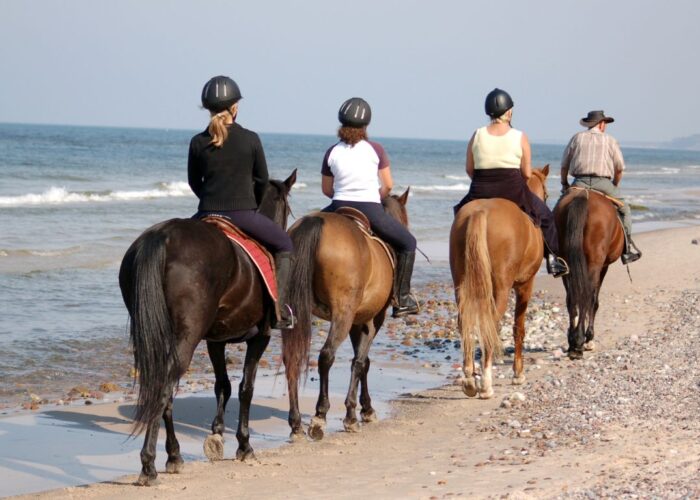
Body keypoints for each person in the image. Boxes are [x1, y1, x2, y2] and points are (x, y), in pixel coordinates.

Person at [187, 75, 295, 328]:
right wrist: (252, 207)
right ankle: (279, 311)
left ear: (208, 109)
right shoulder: (250, 139)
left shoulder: (197, 142)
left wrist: (209, 202)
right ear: (235, 107)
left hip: (204, 215)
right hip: (242, 214)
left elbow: (194, 182)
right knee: (285, 243)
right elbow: (262, 179)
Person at [453, 88, 569, 277]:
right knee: (546, 216)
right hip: (512, 189)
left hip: (480, 188)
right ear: (509, 112)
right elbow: (525, 172)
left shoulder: (477, 134)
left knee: (459, 215)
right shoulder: (520, 136)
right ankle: (554, 260)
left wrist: (484, 181)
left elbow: (469, 169)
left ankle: (458, 257)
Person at [320, 97, 419, 317]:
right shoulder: (376, 149)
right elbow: (389, 185)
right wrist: (377, 196)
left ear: (341, 124)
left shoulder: (332, 151)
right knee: (408, 242)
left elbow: (327, 189)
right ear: (366, 126)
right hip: (370, 208)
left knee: (302, 231)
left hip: (337, 206)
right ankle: (402, 298)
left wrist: (341, 196)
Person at [560, 110, 641, 264]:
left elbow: (564, 165)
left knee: (559, 208)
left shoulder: (577, 138)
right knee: (625, 210)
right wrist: (615, 185)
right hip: (603, 183)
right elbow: (619, 168)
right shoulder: (610, 140)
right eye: (605, 123)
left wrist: (564, 183)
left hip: (579, 183)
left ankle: (552, 250)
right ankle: (627, 248)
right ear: (601, 124)